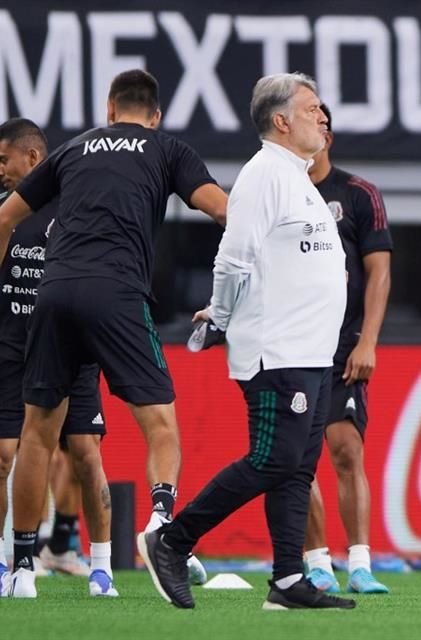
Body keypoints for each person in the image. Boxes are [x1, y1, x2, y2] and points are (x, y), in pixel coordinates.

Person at [0, 69, 227, 596]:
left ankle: (23, 569)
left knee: (37, 433)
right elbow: (221, 209)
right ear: (155, 115)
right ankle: (161, 523)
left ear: (108, 109)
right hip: (118, 293)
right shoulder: (167, 148)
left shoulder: (73, 149)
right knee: (161, 424)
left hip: (53, 296)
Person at [137, 72, 357, 610]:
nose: (323, 115)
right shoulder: (265, 174)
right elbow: (233, 257)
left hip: (309, 353)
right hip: (275, 351)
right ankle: (172, 539)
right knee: (273, 459)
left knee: (297, 467)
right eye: (311, 109)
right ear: (280, 121)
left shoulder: (299, 178)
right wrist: (220, 316)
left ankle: (286, 582)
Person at [0, 118, 114, 598]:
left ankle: (101, 568)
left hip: (71, 351)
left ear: (34, 159)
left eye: (4, 160)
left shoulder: (76, 208)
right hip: (12, 351)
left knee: (85, 455)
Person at [304, 103, 393, 595]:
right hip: (292, 344)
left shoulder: (358, 194)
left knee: (345, 450)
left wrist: (368, 341)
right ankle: (317, 563)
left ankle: (359, 563)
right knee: (295, 458)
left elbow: (378, 271)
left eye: (321, 125)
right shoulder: (282, 193)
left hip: (342, 348)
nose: (314, 132)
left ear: (330, 137)